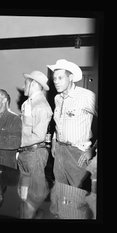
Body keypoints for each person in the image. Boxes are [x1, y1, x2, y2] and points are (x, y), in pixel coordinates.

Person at [47, 59, 98, 219]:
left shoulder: (86, 96)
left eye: (60, 78)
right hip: (59, 152)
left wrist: (93, 150)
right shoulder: (57, 98)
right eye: (54, 78)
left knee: (77, 194)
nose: (56, 82)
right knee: (59, 191)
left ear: (71, 78)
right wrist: (55, 141)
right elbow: (58, 123)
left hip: (77, 153)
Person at [16, 71, 53, 219]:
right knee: (24, 194)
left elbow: (39, 135)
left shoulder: (41, 106)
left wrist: (16, 143)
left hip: (34, 153)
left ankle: (32, 214)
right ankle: (30, 213)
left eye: (26, 82)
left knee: (35, 192)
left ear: (34, 84)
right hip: (26, 153)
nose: (24, 85)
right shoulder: (28, 103)